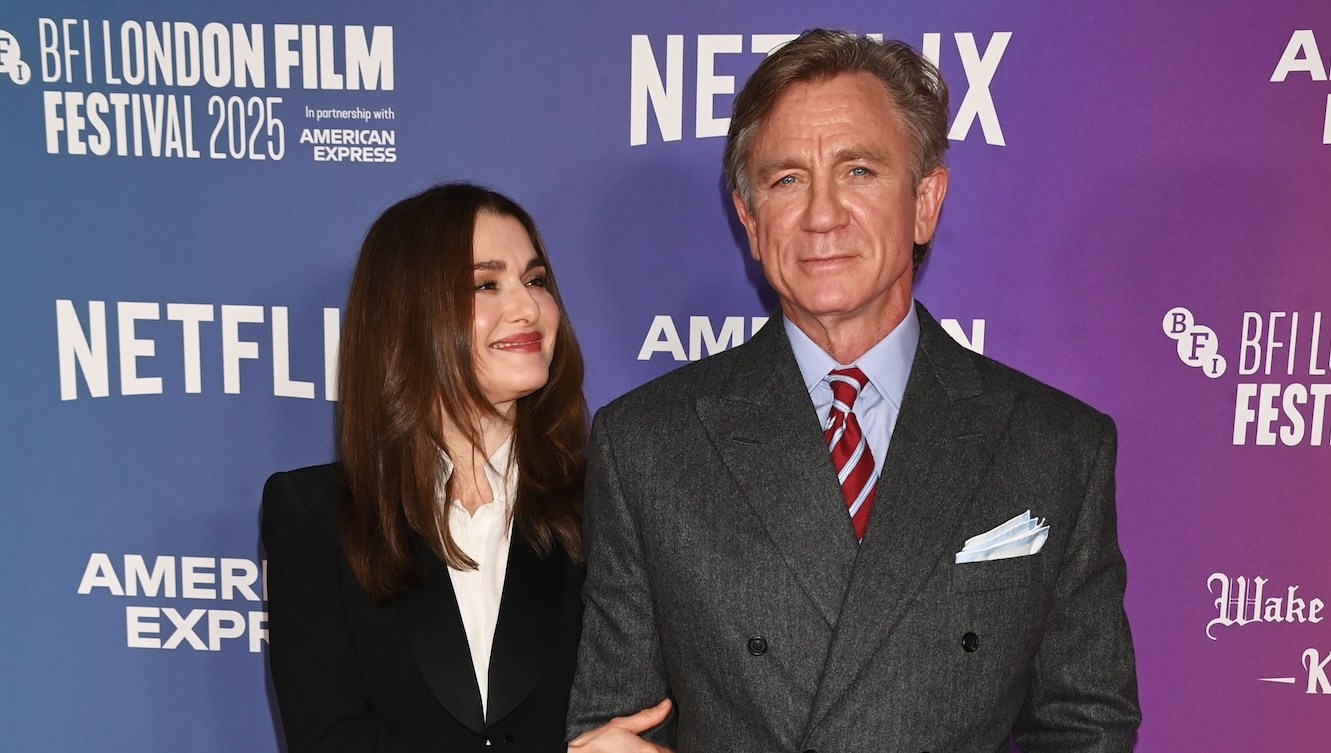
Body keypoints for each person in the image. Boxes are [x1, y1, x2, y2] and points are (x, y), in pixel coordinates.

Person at [567, 30, 1140, 752]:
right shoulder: (645, 446)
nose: (821, 215)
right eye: (786, 180)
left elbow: (1086, 727)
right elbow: (616, 727)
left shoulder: (1055, 446)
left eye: (858, 170)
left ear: (925, 200)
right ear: (749, 220)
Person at [263, 183, 669, 752]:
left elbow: (657, 715)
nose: (528, 308)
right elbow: (329, 740)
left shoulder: (609, 499)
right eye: (486, 285)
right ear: (406, 315)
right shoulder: (316, 516)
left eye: (535, 281)